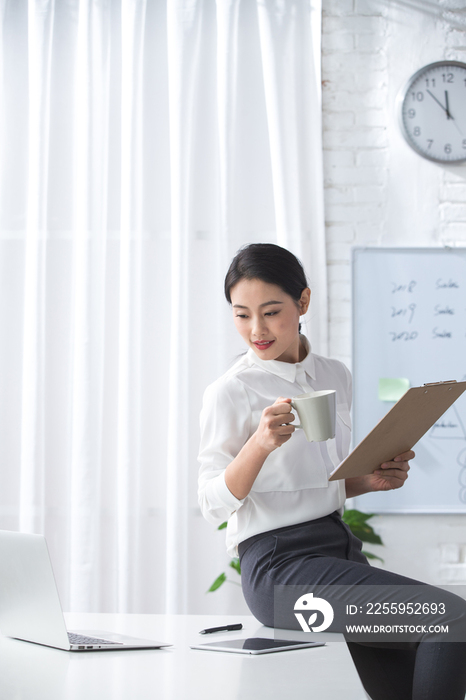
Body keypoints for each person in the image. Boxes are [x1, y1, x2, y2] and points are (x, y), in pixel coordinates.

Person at [198, 243, 466, 700]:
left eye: (270, 311)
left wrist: (368, 481)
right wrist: (259, 445)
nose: (256, 330)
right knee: (451, 618)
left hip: (338, 554)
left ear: (302, 303)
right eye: (242, 315)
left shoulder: (334, 375)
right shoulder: (231, 391)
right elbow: (211, 504)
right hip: (280, 571)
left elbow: (320, 484)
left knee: (401, 682)